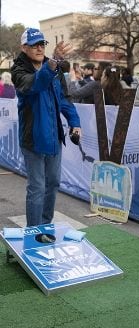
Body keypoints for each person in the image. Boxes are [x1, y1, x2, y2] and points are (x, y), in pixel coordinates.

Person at [10, 28, 81, 227]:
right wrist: (54, 63)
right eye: (34, 44)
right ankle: (34, 232)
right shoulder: (18, 70)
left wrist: (75, 123)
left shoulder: (54, 67)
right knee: (37, 187)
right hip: (33, 139)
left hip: (54, 137)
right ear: (24, 47)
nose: (40, 48)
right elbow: (36, 84)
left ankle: (44, 225)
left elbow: (65, 99)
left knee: (53, 183)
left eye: (42, 44)